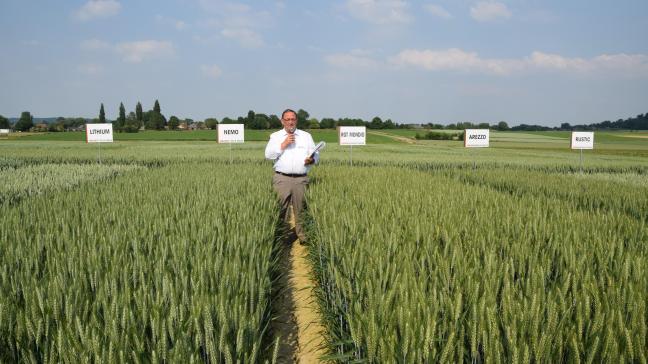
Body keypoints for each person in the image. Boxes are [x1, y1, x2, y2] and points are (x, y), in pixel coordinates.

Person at [265, 109, 319, 243]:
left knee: (301, 209)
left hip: (301, 179)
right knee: (280, 209)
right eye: (287, 119)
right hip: (282, 179)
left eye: (293, 119)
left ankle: (303, 237)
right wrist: (283, 145)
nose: (290, 122)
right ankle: (278, 238)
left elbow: (316, 155)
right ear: (282, 121)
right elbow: (268, 155)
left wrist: (311, 160)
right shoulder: (275, 136)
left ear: (296, 120)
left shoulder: (306, 136)